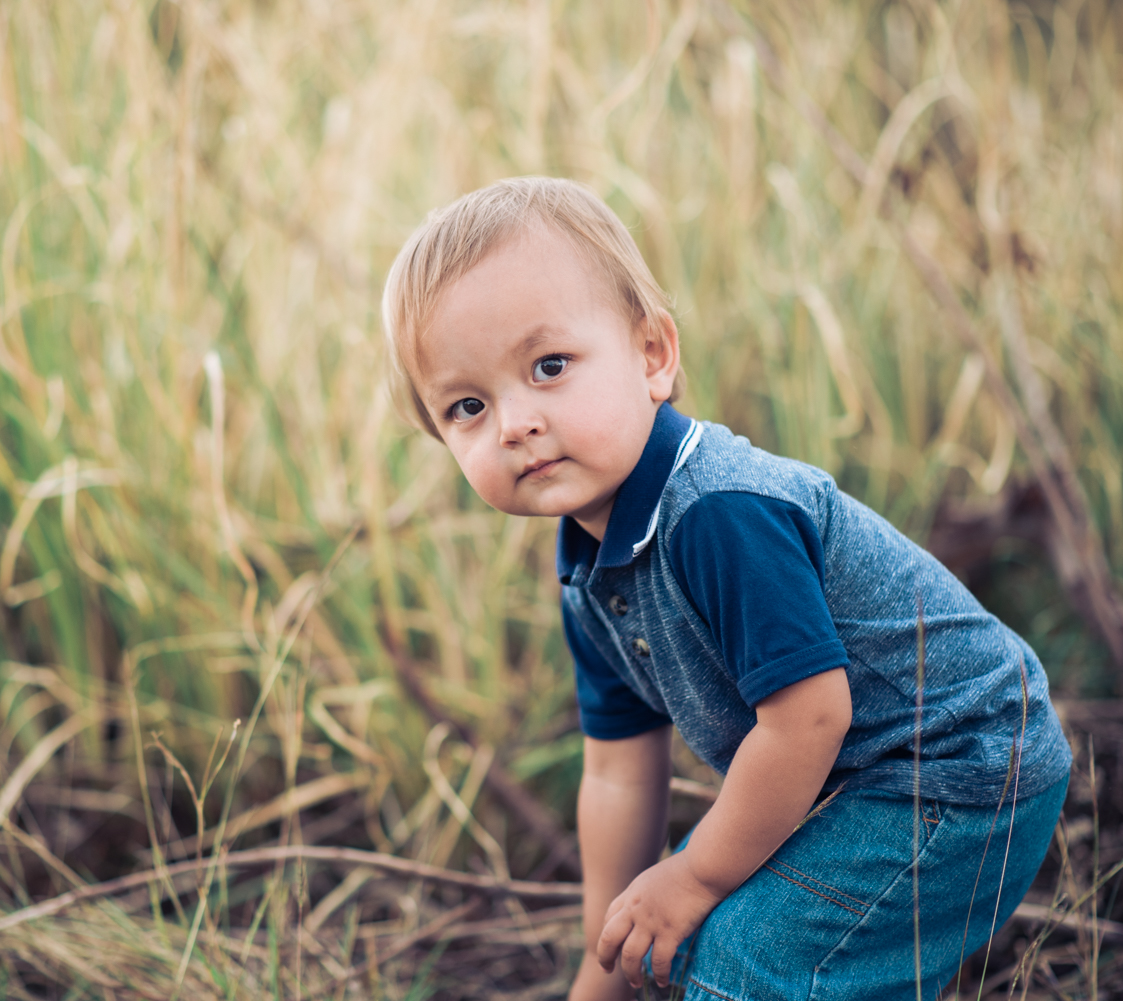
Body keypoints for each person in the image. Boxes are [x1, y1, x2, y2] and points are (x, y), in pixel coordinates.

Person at [380, 176, 1072, 1000]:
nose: (513, 422)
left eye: (550, 365)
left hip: (964, 765)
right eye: (466, 406)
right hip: (855, 786)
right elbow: (617, 776)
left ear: (652, 356)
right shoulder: (589, 578)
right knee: (664, 940)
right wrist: (604, 975)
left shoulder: (717, 512)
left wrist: (697, 879)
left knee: (746, 956)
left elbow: (811, 715)